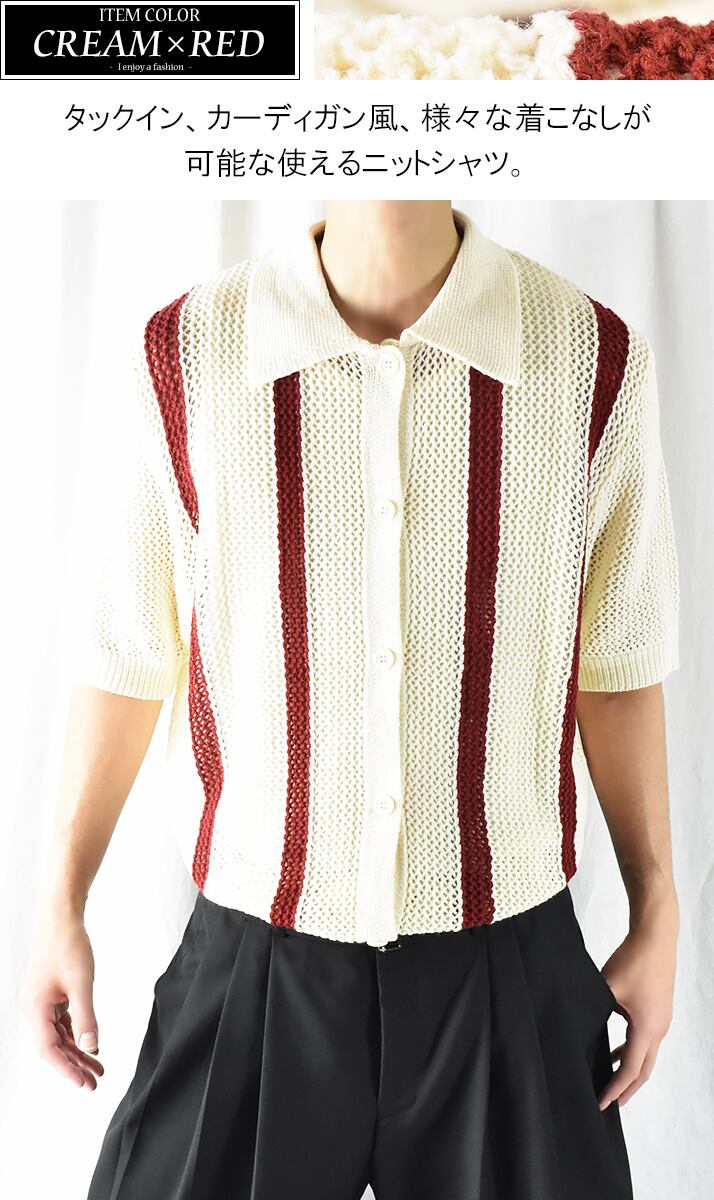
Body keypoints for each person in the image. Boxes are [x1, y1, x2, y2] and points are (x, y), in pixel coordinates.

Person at [24, 201, 680, 1199]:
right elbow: (127, 649)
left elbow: (618, 661)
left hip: (509, 965)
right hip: (254, 964)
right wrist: (58, 900)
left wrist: (658, 904)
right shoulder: (185, 357)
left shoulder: (589, 359)